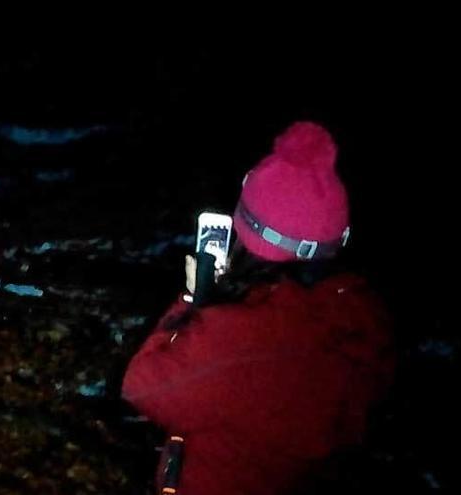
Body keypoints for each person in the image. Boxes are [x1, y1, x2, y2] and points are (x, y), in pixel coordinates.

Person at [122, 122, 394, 494]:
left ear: (247, 230)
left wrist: (191, 302)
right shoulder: (363, 313)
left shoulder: (233, 336)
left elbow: (141, 387)